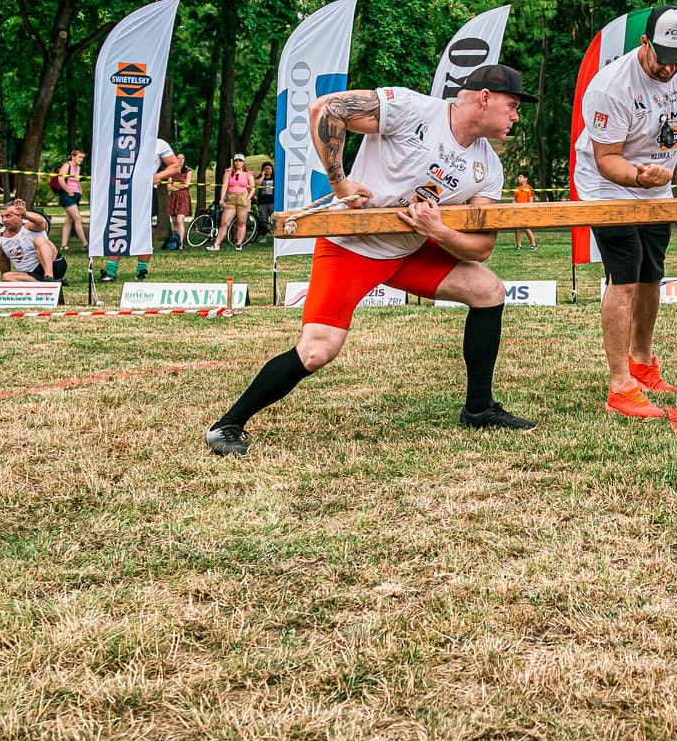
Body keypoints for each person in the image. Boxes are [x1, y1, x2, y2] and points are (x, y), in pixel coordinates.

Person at [205, 65, 538, 456]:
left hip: (411, 250)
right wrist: (339, 183)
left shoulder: (488, 166)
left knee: (488, 290)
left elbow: (480, 248)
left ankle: (479, 410)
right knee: (317, 351)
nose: (515, 117)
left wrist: (439, 232)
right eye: (512, 106)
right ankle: (227, 426)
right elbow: (325, 108)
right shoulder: (413, 109)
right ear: (484, 98)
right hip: (351, 249)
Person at [574, 7, 677, 420]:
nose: (670, 68)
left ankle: (643, 362)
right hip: (608, 184)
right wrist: (638, 177)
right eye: (662, 58)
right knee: (626, 274)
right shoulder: (610, 88)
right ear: (645, 43)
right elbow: (606, 159)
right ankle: (620, 385)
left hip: (657, 182)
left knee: (652, 272)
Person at [100, 138, 175, 281]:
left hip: (147, 192)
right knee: (117, 226)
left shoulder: (159, 143)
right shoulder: (120, 139)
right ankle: (110, 272)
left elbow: (175, 165)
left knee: (147, 230)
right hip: (122, 190)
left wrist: (158, 176)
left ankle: (142, 271)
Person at [0, 201, 66, 283]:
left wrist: (25, 214)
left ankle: (49, 277)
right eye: (2, 216)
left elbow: (41, 222)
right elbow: (3, 260)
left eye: (8, 216)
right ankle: (43, 283)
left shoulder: (29, 226)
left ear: (19, 216)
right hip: (29, 274)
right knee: (6, 277)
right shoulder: (0, 236)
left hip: (54, 265)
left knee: (39, 240)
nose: (4, 220)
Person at [210, 154, 254, 250]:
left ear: (243, 162)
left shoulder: (248, 175)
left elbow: (252, 188)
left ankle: (239, 244)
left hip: (243, 198)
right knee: (224, 223)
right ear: (234, 162)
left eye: (240, 161)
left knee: (241, 222)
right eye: (236, 160)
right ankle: (216, 244)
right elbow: (225, 186)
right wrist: (221, 198)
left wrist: (248, 198)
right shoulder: (228, 173)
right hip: (231, 198)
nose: (238, 163)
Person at [53, 149, 86, 251]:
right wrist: (69, 192)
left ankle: (64, 245)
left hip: (76, 196)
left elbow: (77, 181)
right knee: (78, 219)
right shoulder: (67, 165)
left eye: (82, 158)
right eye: (79, 157)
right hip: (67, 196)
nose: (81, 159)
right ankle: (85, 244)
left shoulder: (78, 168)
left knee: (68, 221)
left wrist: (80, 191)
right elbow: (60, 180)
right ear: (73, 157)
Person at [164, 151, 194, 250]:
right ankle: (175, 242)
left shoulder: (188, 171)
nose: (180, 160)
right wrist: (179, 186)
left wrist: (175, 185)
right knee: (174, 221)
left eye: (182, 158)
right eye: (178, 158)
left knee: (180, 220)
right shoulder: (172, 171)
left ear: (185, 160)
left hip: (183, 197)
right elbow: (168, 187)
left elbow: (187, 185)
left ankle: (181, 243)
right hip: (173, 197)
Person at [511, 173, 537, 250]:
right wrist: (513, 205)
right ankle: (519, 246)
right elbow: (515, 200)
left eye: (520, 177)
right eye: (518, 177)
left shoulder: (529, 188)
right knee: (517, 228)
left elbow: (531, 201)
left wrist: (526, 209)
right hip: (517, 211)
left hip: (525, 211)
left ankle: (533, 245)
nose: (518, 178)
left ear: (526, 178)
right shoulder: (517, 188)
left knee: (526, 227)